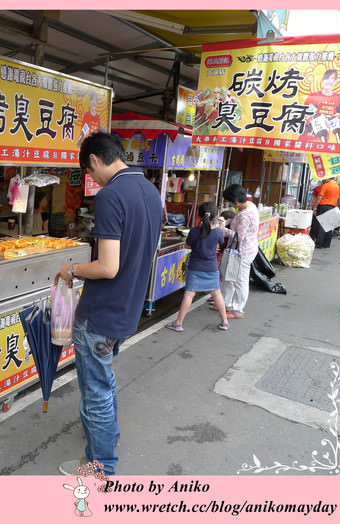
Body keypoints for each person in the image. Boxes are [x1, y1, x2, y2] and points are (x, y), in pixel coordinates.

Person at [58, 132, 163, 476]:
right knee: (104, 382)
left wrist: (73, 270)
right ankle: (107, 440)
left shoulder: (111, 195)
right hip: (127, 308)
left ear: (94, 161)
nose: (92, 179)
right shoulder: (148, 189)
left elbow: (108, 266)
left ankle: (101, 466)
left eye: (89, 173)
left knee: (95, 392)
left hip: (101, 314)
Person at [166, 202, 229, 332]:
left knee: (189, 294)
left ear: (199, 216)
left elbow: (187, 246)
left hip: (195, 267)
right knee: (217, 294)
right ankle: (224, 321)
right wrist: (221, 228)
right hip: (211, 267)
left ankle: (178, 323)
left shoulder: (194, 231)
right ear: (215, 218)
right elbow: (220, 243)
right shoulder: (218, 232)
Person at [219, 184, 259, 319]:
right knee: (229, 277)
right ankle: (225, 304)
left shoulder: (245, 214)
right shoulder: (249, 206)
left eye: (230, 201)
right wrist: (229, 221)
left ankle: (238, 310)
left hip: (242, 251)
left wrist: (222, 230)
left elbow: (238, 236)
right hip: (242, 249)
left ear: (236, 199)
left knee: (239, 280)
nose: (229, 204)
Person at [310, 177, 340, 248]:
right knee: (329, 225)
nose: (322, 180)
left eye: (324, 178)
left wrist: (315, 207)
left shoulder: (325, 185)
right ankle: (326, 244)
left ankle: (319, 243)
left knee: (321, 224)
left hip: (323, 206)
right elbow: (338, 197)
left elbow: (319, 196)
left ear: (328, 178)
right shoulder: (336, 186)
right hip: (332, 206)